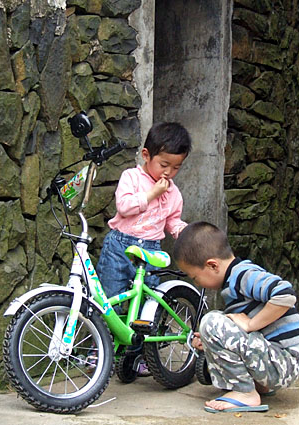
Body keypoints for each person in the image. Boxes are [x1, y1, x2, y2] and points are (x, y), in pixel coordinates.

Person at [173, 221, 299, 413]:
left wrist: (251, 324)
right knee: (216, 324)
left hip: (284, 363)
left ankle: (245, 393)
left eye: (195, 277)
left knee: (211, 321)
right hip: (276, 362)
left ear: (212, 265)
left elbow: (285, 295)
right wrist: (211, 340)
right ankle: (258, 386)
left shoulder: (243, 275)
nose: (197, 284)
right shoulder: (233, 279)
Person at [95, 121, 192, 375]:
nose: (169, 172)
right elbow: (124, 207)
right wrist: (151, 194)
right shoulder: (132, 178)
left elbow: (172, 221)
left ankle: (138, 356)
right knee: (109, 299)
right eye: (164, 165)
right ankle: (101, 350)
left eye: (176, 167)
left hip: (150, 252)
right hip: (120, 247)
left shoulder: (173, 193)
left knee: (146, 306)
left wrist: (184, 232)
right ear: (146, 155)